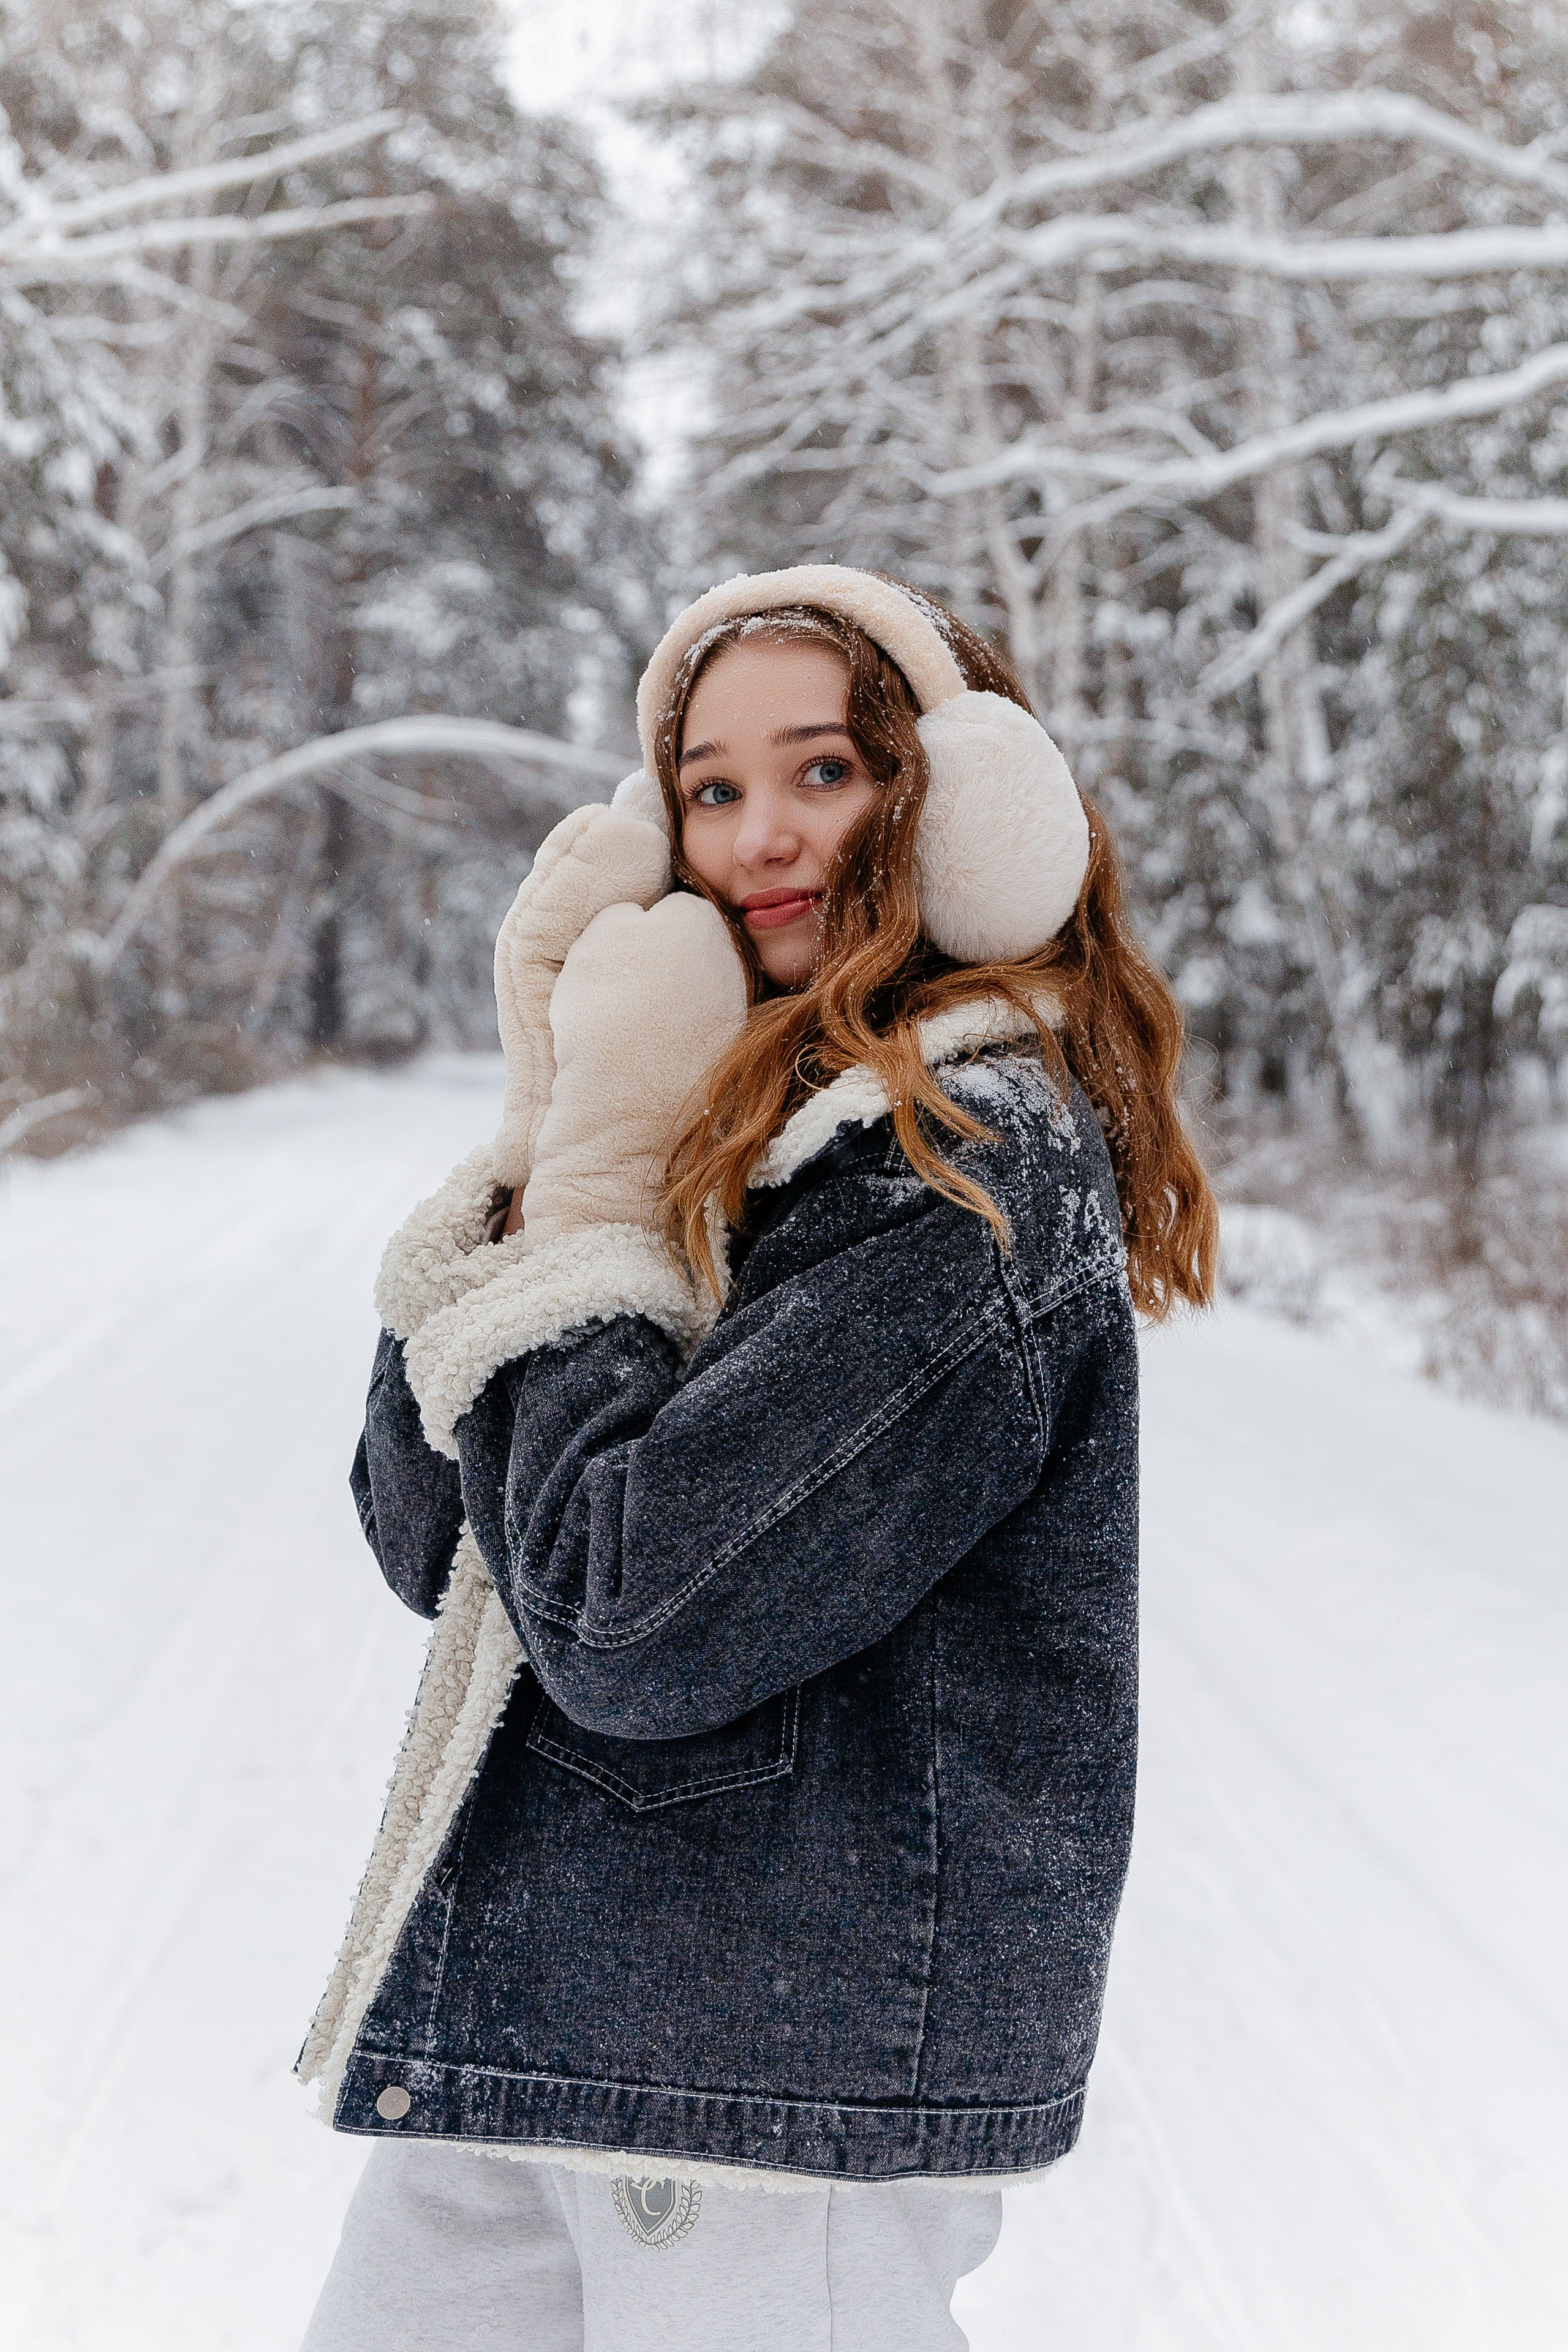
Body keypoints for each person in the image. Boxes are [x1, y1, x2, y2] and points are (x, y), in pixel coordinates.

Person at [296, 566, 1216, 2350]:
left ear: (959, 801)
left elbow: (633, 1623)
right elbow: (431, 1537)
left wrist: (596, 1182)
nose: (761, 836)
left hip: (770, 2076)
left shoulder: (958, 1169)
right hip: (549, 2016)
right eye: (710, 789)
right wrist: (554, 1117)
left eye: (824, 770)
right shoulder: (707, 1112)